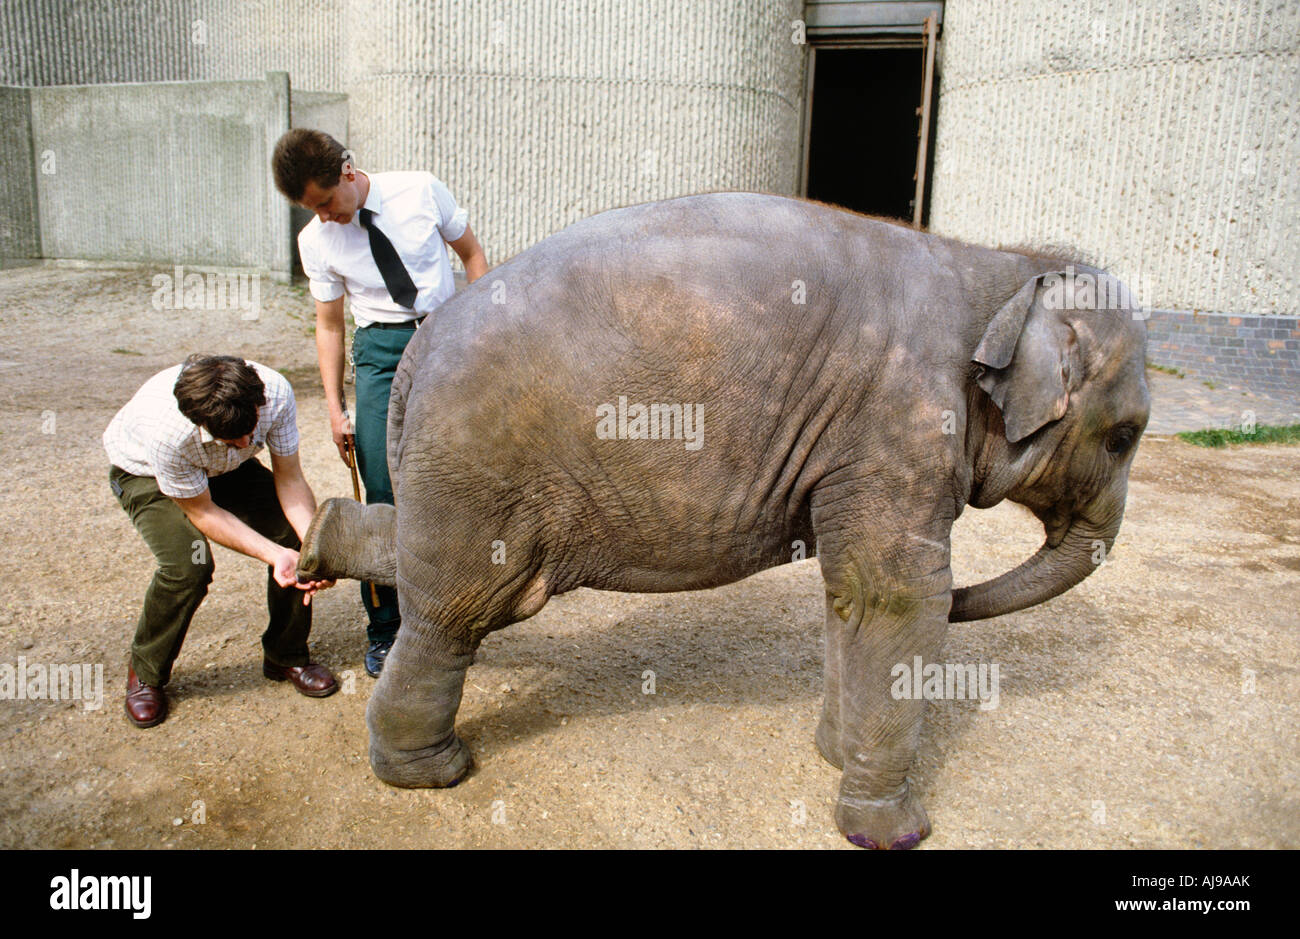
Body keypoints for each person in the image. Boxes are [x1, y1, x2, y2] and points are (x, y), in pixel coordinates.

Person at [271, 128, 488, 677]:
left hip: (446, 335)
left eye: (324, 203)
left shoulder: (419, 190)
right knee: (381, 488)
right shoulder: (315, 241)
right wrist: (334, 407)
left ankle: (453, 608)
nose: (322, 217)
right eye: (309, 209)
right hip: (379, 352)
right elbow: (328, 324)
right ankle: (386, 630)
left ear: (347, 171)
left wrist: (483, 333)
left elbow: (472, 254)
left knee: (457, 475)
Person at [104, 354, 337, 727]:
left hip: (229, 468)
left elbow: (290, 479)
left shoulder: (275, 392)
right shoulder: (167, 433)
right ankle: (147, 672)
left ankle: (285, 654)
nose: (247, 441)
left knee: (296, 545)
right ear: (199, 423)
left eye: (251, 431)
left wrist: (312, 551)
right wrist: (276, 556)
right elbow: (204, 513)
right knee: (188, 567)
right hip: (146, 473)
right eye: (234, 438)